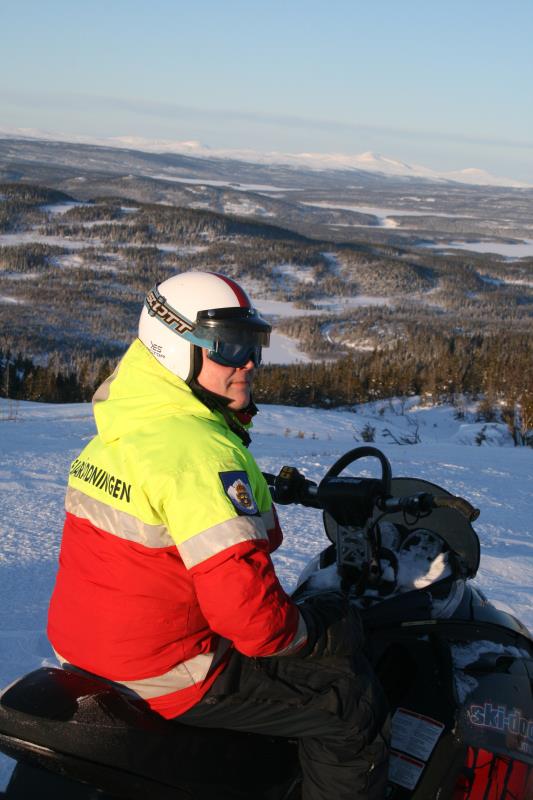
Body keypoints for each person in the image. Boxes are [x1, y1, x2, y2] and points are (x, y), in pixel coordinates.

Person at [47, 271, 389, 800]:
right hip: (167, 669)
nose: (248, 362)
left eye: (254, 345)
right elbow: (254, 625)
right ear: (174, 348)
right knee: (347, 700)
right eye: (229, 348)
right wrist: (319, 630)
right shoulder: (202, 455)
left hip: (92, 648)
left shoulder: (125, 428)